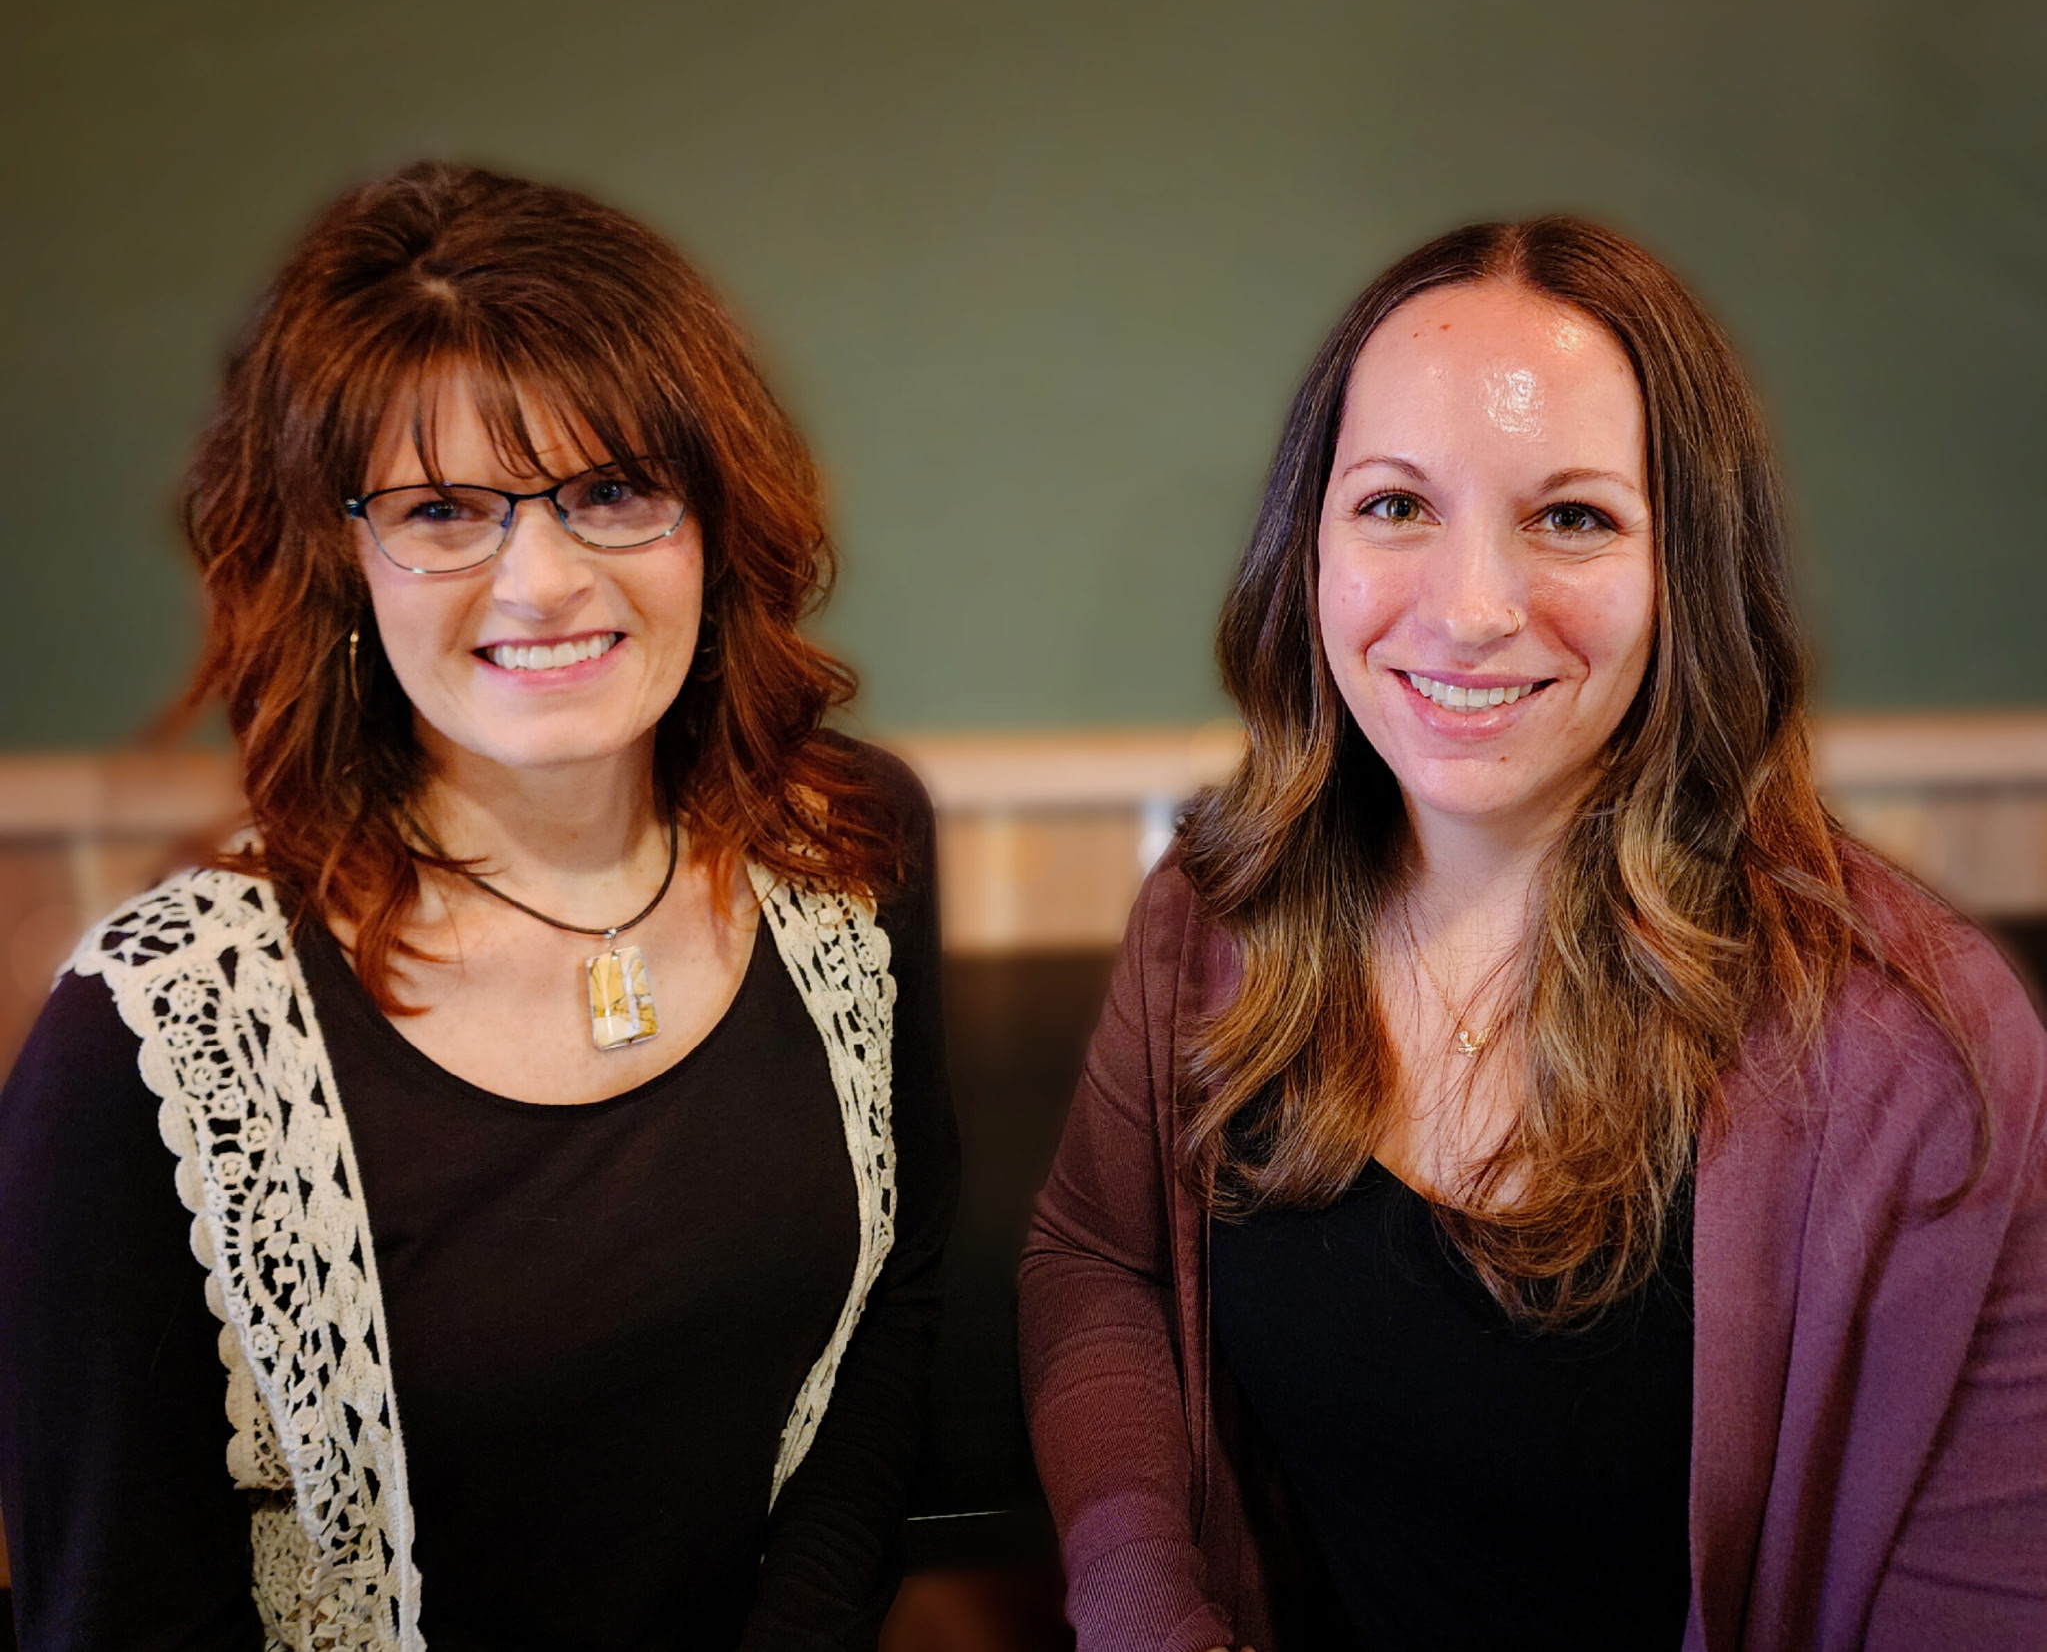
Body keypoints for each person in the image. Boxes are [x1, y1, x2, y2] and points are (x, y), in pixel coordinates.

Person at [1018, 218, 2047, 1652]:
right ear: (1308, 544)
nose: (1471, 611)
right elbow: (1097, 1259)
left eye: (1572, 518)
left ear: (1690, 571)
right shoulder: (1214, 910)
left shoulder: (1920, 1055)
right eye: (1396, 505)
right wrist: (1141, 1600)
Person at [0, 162, 957, 1650]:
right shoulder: (144, 1043)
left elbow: (892, 1313)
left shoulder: (845, 842)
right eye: (443, 509)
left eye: (613, 490)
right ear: (342, 563)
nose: (543, 581)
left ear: (714, 516)